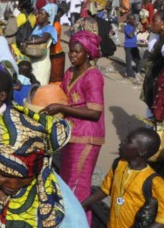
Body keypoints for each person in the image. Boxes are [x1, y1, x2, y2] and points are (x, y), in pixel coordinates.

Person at [42, 30, 104, 225]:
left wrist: (61, 107)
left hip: (87, 137)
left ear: (88, 53)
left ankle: (79, 222)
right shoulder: (70, 72)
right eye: (71, 51)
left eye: (77, 52)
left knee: (79, 187)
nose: (72, 55)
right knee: (67, 184)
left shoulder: (92, 76)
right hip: (70, 134)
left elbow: (95, 111)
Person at [82, 127, 164, 228]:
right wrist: (82, 204)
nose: (122, 142)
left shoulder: (154, 181)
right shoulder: (119, 164)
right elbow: (105, 189)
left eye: (128, 140)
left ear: (142, 152)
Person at [142, 10, 164, 111]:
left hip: (163, 89)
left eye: (154, 21)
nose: (151, 24)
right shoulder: (158, 38)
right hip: (154, 87)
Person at [21, 8, 57, 85]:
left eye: (42, 14)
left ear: (48, 16)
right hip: (33, 60)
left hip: (42, 62)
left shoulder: (50, 28)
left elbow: (43, 39)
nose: (38, 16)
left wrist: (27, 42)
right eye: (38, 14)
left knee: (39, 86)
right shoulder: (37, 27)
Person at [123, 14, 143, 79]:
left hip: (134, 46)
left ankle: (137, 72)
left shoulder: (133, 26)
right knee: (129, 62)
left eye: (134, 19)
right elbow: (130, 36)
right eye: (132, 19)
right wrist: (134, 27)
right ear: (129, 20)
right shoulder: (127, 27)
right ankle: (130, 75)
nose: (134, 20)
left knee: (139, 60)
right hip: (128, 46)